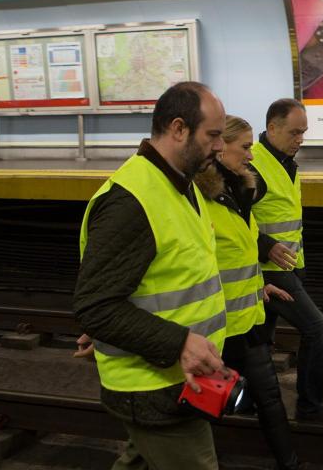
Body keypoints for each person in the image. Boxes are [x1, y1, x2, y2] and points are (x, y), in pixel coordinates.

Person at [74, 81, 229, 470]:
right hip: (155, 387)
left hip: (173, 377)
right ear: (179, 128)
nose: (220, 147)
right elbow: (96, 306)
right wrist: (178, 342)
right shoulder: (132, 202)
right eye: (212, 135)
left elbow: (146, 282)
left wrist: (123, 327)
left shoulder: (178, 183)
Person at [194, 115, 299, 470]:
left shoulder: (239, 194)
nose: (251, 155)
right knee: (208, 408)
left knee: (270, 399)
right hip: (216, 331)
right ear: (221, 148)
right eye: (245, 147)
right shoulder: (198, 198)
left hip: (248, 322)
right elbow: (202, 264)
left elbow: (239, 254)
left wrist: (260, 283)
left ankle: (291, 464)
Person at [250, 98, 323, 422]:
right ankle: (310, 407)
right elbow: (231, 219)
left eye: (304, 133)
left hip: (286, 266)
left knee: (259, 341)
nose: (300, 139)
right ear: (272, 128)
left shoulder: (284, 160)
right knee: (317, 329)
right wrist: (265, 245)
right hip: (268, 270)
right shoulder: (252, 164)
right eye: (295, 133)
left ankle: (252, 402)